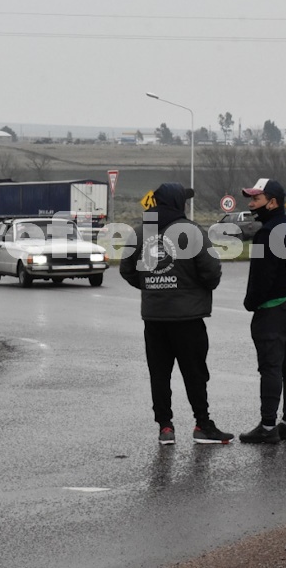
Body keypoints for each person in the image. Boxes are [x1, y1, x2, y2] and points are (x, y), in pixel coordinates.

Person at [120, 183, 233, 445]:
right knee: (195, 373)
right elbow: (211, 270)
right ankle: (202, 425)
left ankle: (165, 428)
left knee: (159, 374)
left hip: (154, 318)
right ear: (177, 203)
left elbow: (126, 269)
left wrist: (150, 286)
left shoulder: (140, 232)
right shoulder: (192, 232)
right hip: (188, 318)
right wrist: (197, 288)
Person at [239, 178, 286, 444]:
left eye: (256, 199)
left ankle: (268, 427)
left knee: (271, 367)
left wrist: (250, 303)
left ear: (272, 202)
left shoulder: (267, 233)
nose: (251, 204)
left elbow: (262, 278)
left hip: (274, 307)